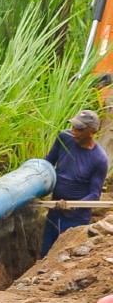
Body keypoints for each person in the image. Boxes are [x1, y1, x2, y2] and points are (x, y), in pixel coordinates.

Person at [41, 109, 108, 257]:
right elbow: (48, 163)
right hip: (54, 210)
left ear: (92, 131)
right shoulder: (64, 138)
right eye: (73, 127)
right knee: (45, 256)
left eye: (79, 129)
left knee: (63, 258)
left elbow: (94, 194)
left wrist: (72, 205)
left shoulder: (99, 159)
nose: (74, 131)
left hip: (76, 219)